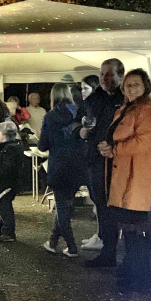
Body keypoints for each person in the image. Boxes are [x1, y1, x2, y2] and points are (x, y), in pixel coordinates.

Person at [98, 69, 151, 292]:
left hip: (135, 177)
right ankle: (134, 272)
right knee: (128, 228)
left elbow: (144, 141)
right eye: (127, 85)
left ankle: (142, 278)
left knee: (135, 228)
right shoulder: (127, 109)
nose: (130, 88)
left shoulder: (148, 111)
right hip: (123, 175)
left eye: (135, 84)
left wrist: (114, 150)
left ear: (145, 86)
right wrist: (106, 147)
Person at [81, 59, 125, 262]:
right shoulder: (94, 98)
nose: (105, 78)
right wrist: (80, 131)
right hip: (93, 159)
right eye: (102, 75)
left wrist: (114, 146)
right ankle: (107, 249)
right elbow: (78, 120)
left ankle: (110, 252)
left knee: (111, 207)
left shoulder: (126, 99)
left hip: (114, 162)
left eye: (109, 74)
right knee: (100, 204)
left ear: (120, 76)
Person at [38, 84, 86, 257]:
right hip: (77, 166)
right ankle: (52, 242)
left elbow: (42, 145)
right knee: (64, 206)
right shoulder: (78, 113)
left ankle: (72, 247)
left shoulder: (50, 117)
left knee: (63, 209)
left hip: (59, 166)